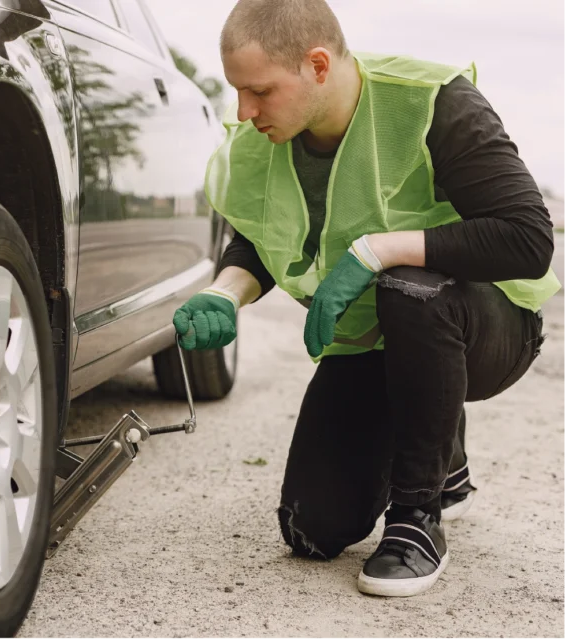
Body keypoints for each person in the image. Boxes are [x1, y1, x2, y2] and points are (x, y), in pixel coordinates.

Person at [173, 0, 559, 597]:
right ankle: (442, 449)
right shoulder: (268, 133)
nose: (245, 112)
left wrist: (379, 250)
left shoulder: (432, 101)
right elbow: (256, 236)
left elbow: (527, 239)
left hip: (484, 326)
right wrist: (225, 293)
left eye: (260, 92)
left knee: (410, 286)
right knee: (312, 530)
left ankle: (417, 518)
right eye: (238, 92)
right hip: (379, 339)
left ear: (318, 65)